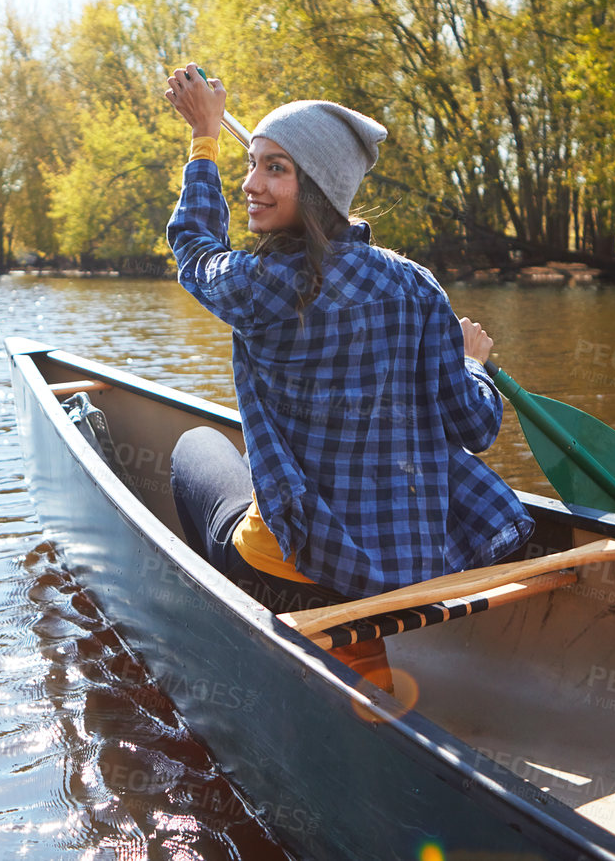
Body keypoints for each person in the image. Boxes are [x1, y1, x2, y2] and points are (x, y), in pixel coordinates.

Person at [161, 62, 534, 684]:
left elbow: (196, 248)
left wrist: (203, 136)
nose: (250, 183)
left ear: (318, 189)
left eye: (274, 168)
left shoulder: (261, 286)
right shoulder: (417, 285)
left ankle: (227, 643)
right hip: (408, 570)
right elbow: (476, 425)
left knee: (194, 447)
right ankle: (360, 652)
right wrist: (473, 365)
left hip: (295, 572)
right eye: (249, 162)